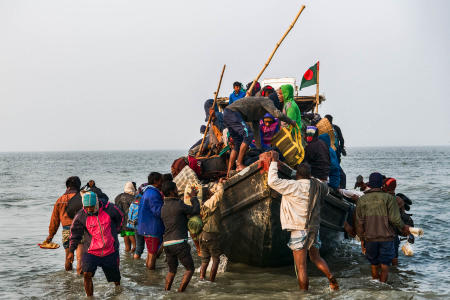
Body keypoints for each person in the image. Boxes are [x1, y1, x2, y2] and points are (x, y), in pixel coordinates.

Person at [267, 152, 339, 291]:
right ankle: (330, 277)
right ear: (310, 175)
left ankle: (303, 294)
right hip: (313, 229)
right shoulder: (318, 186)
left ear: (297, 175)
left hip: (298, 230)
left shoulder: (293, 186)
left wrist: (275, 162)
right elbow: (326, 189)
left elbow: (272, 181)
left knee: (301, 267)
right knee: (316, 258)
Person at [355, 172, 410, 283]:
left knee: (374, 264)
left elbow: (359, 222)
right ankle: (382, 286)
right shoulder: (389, 198)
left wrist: (362, 239)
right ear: (381, 184)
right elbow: (395, 219)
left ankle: (375, 284)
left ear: (369, 184)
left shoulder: (362, 200)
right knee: (385, 265)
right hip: (387, 238)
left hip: (370, 238)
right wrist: (404, 228)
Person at [67, 191, 123, 297]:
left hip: (110, 250)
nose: (89, 210)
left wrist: (115, 231)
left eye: (91, 207)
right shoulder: (80, 216)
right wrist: (71, 251)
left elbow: (121, 217)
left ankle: (119, 293)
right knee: (87, 274)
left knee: (115, 278)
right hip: (91, 251)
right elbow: (75, 234)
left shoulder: (110, 208)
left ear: (96, 203)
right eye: (86, 207)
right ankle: (90, 297)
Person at [223, 94, 295, 176]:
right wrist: (291, 122)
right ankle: (239, 164)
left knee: (237, 143)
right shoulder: (267, 100)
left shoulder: (256, 111)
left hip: (227, 114)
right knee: (248, 135)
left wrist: (259, 150)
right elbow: (277, 114)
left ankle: (228, 173)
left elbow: (256, 132)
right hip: (233, 113)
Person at [161, 181, 200, 292]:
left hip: (167, 244)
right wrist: (194, 198)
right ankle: (180, 293)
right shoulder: (178, 204)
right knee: (190, 269)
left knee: (172, 271)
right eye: (176, 189)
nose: (177, 190)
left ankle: (166, 292)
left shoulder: (163, 208)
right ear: (172, 191)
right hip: (179, 243)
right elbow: (195, 210)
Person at [45, 176, 84, 274]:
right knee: (80, 259)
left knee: (68, 257)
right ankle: (81, 283)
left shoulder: (60, 200)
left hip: (67, 230)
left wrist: (50, 237)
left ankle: (68, 282)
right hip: (81, 229)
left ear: (67, 187)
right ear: (78, 186)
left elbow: (54, 221)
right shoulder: (82, 197)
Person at [199, 179, 225, 282]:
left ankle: (201, 278)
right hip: (212, 235)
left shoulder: (201, 204)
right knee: (215, 259)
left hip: (203, 236)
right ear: (208, 196)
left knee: (205, 260)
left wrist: (215, 185)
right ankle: (211, 281)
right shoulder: (210, 204)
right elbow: (219, 194)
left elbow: (214, 194)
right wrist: (220, 184)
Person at [137, 172, 164, 269]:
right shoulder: (153, 194)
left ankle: (149, 274)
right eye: (161, 181)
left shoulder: (147, 191)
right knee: (153, 254)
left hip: (146, 227)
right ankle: (152, 277)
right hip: (151, 228)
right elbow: (158, 211)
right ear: (156, 181)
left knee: (150, 252)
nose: (162, 183)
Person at [114, 181, 137, 252]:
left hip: (121, 220)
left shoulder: (118, 196)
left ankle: (127, 256)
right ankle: (134, 253)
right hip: (130, 220)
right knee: (134, 244)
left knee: (126, 244)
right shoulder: (132, 197)